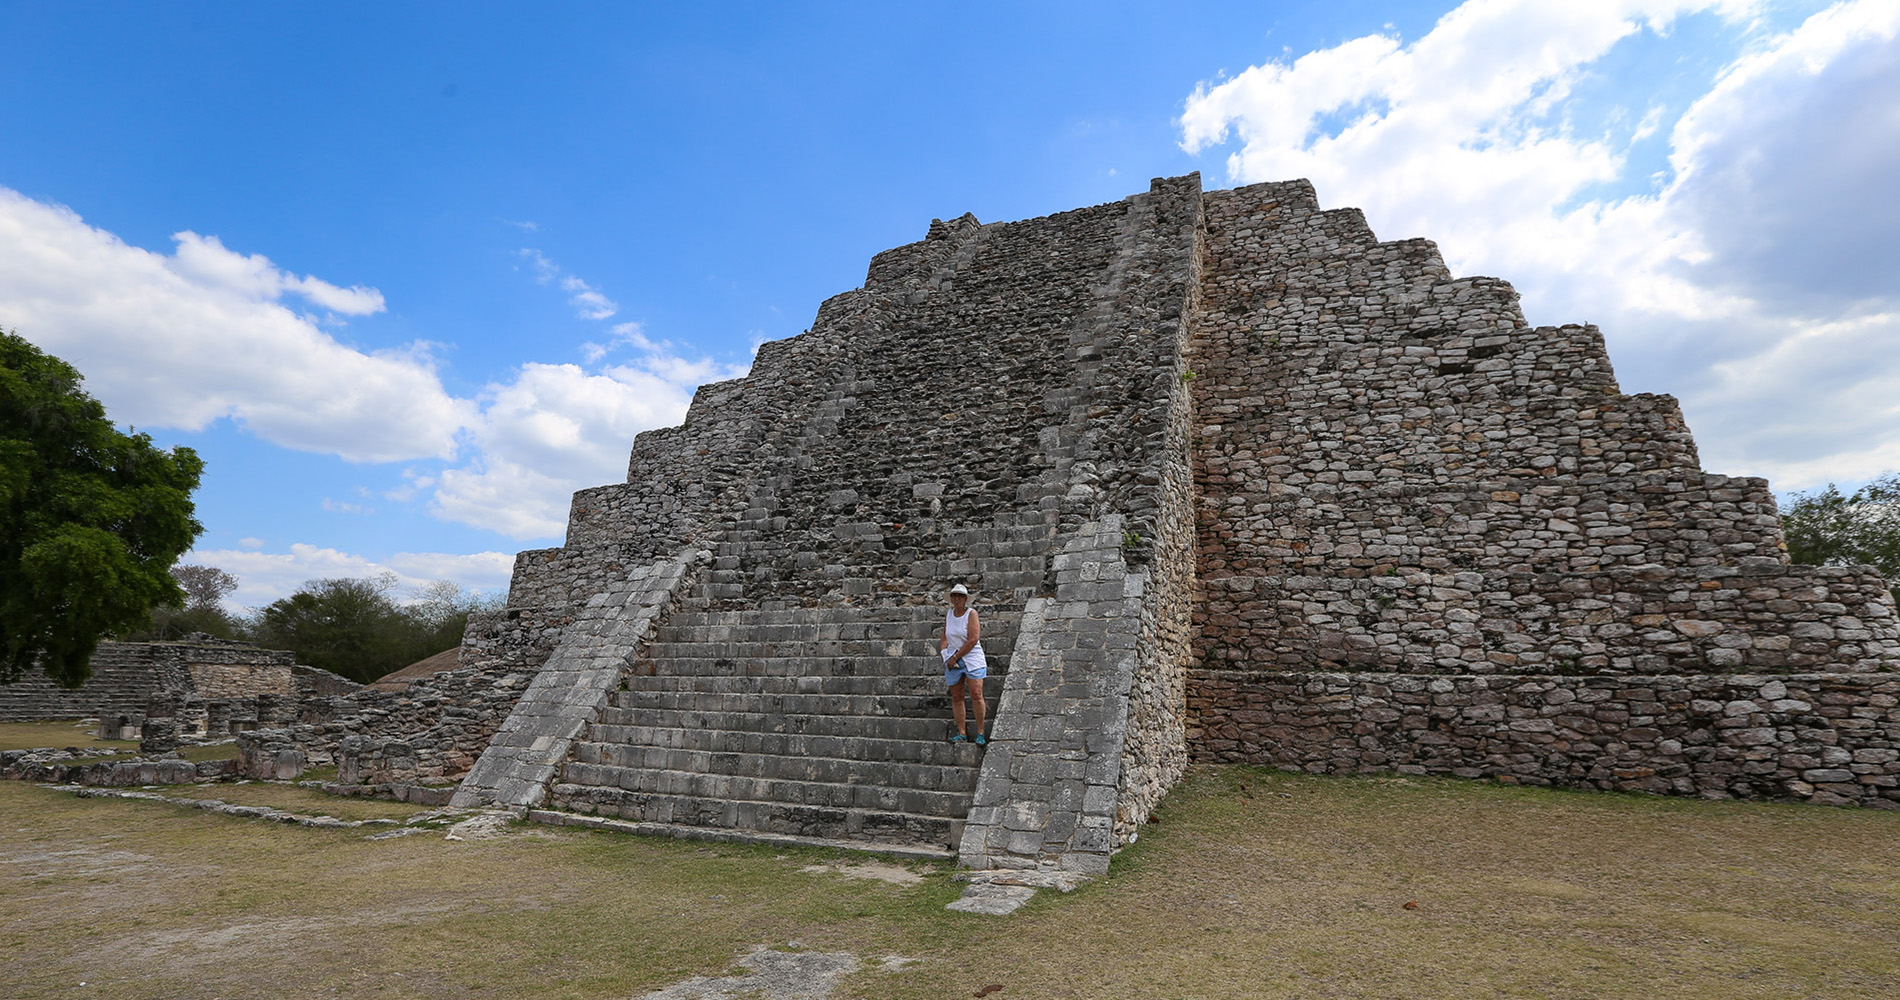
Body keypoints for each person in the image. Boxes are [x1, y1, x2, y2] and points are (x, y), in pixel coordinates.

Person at [940, 583, 988, 745]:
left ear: (965, 599)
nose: (957, 599)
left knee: (976, 693)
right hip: (953, 656)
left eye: (960, 596)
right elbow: (944, 637)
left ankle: (980, 732)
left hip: (971, 656)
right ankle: (962, 732)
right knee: (957, 696)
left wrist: (955, 657)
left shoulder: (971, 614)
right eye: (954, 596)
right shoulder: (949, 614)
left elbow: (973, 639)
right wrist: (946, 655)